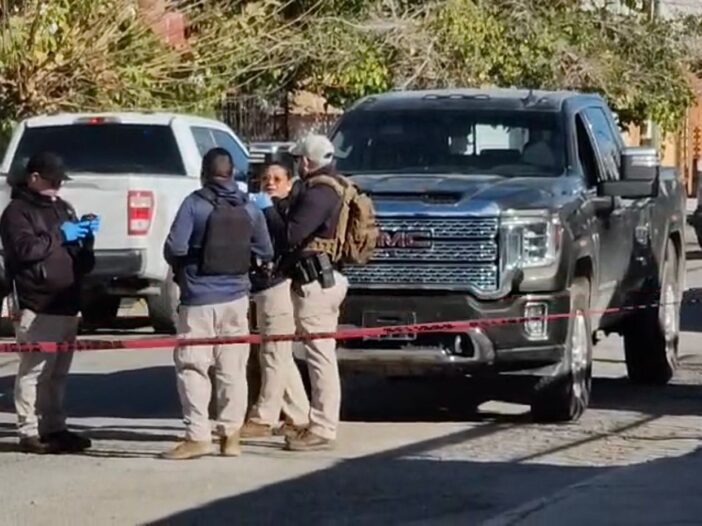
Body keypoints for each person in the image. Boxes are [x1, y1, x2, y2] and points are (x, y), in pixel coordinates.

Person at [162, 147, 273, 460]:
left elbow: (174, 248)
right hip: (237, 299)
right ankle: (231, 436)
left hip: (198, 299)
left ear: (204, 173)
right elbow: (265, 250)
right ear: (232, 173)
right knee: (232, 369)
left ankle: (198, 436)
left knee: (193, 367)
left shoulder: (194, 204)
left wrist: (190, 261)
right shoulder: (249, 207)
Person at [0, 152, 99, 454]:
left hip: (67, 302)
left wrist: (86, 239)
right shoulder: (17, 212)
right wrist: (59, 234)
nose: (58, 187)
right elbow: (24, 250)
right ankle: (29, 430)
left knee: (58, 374)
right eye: (52, 181)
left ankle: (54, 427)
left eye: (60, 181)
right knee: (34, 371)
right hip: (36, 303)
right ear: (34, 178)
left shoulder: (62, 208)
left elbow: (80, 259)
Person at [280, 135, 350, 452]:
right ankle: (301, 416)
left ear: (307, 162)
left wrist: (275, 208)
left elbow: (292, 234)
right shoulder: (330, 186)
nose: (296, 165)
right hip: (318, 280)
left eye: (298, 160)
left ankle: (322, 427)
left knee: (320, 356)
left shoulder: (320, 193)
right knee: (288, 349)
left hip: (316, 284)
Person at [241, 162, 310, 439]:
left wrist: (269, 209)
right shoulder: (256, 209)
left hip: (279, 285)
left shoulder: (288, 210)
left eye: (277, 179)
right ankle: (299, 415)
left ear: (289, 183)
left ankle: (264, 418)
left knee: (273, 353)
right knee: (279, 355)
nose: (270, 183)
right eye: (265, 179)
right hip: (261, 287)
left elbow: (286, 239)